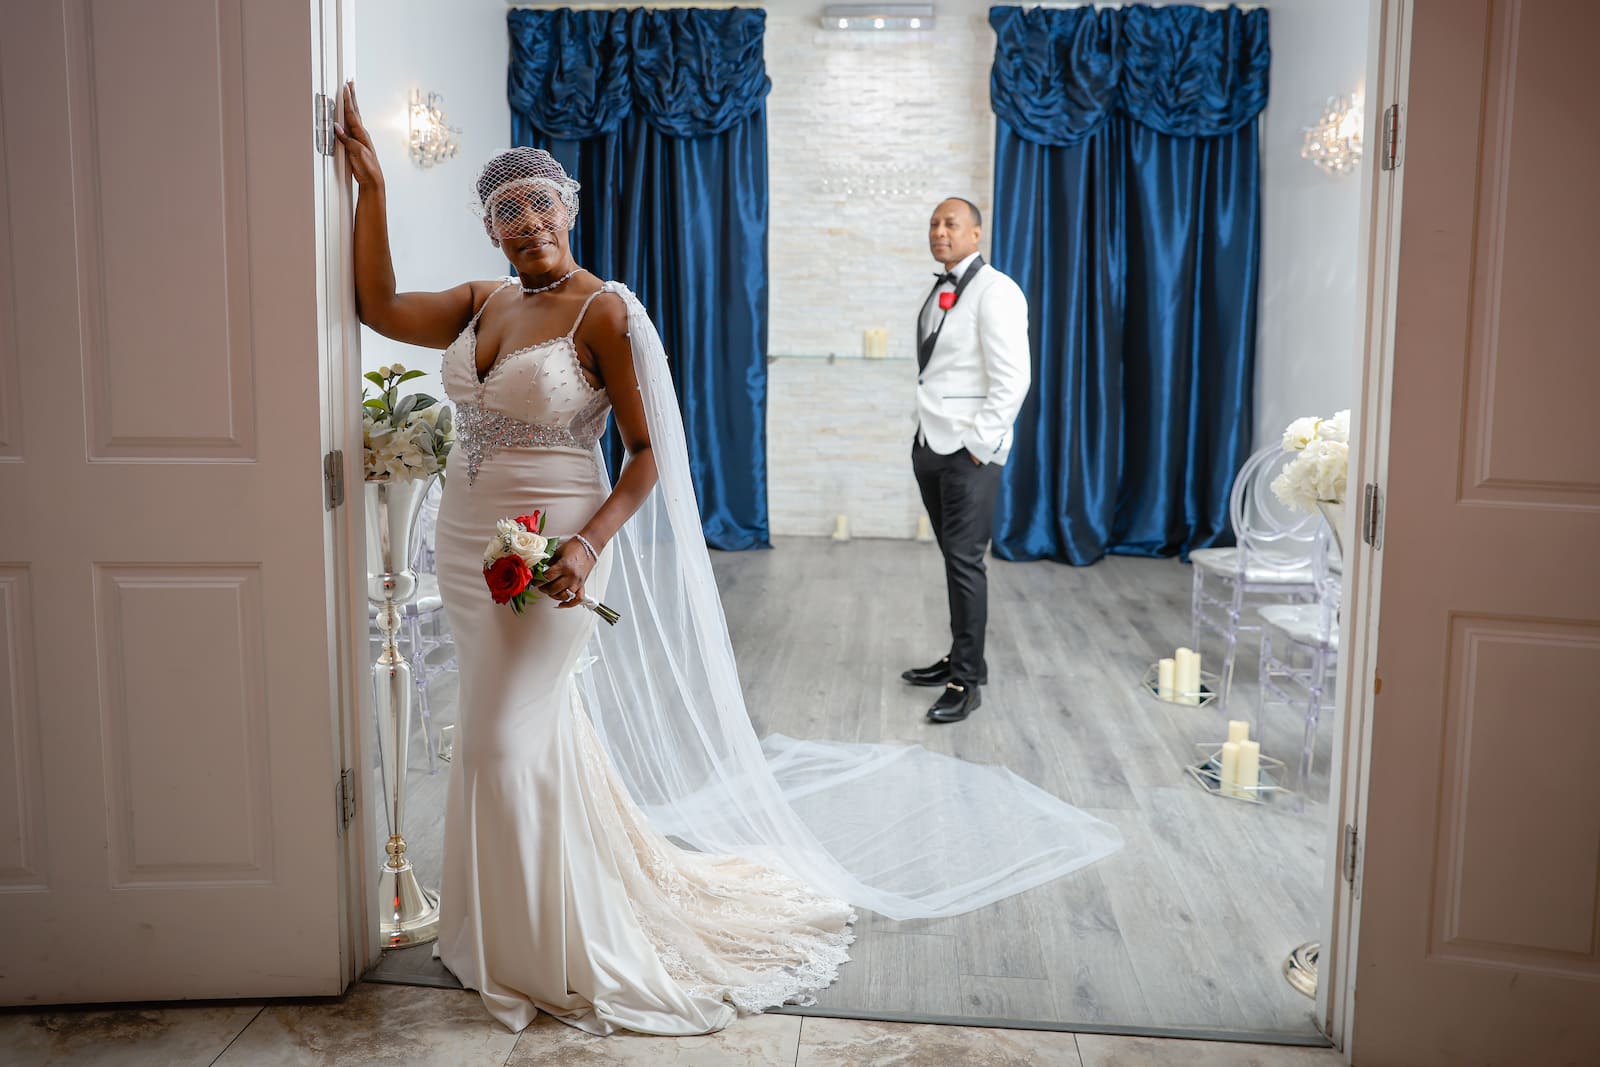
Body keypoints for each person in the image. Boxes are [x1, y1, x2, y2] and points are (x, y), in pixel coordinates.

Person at [336, 82, 1119, 1039]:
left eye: (542, 202)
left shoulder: (604, 314)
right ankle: (494, 929)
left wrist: (588, 542)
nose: (528, 221)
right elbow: (374, 303)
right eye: (507, 209)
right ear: (492, 229)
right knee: (507, 736)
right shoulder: (478, 300)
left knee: (502, 737)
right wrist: (369, 186)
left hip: (558, 553)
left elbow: (651, 449)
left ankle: (555, 943)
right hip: (466, 549)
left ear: (569, 210)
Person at [902, 197, 1032, 724]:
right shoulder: (940, 289)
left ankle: (966, 680)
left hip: (969, 453)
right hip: (930, 443)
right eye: (934, 222)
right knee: (954, 561)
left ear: (976, 234)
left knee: (965, 563)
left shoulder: (997, 290)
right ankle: (959, 656)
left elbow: (1013, 377)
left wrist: (980, 445)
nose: (939, 230)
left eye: (951, 223)